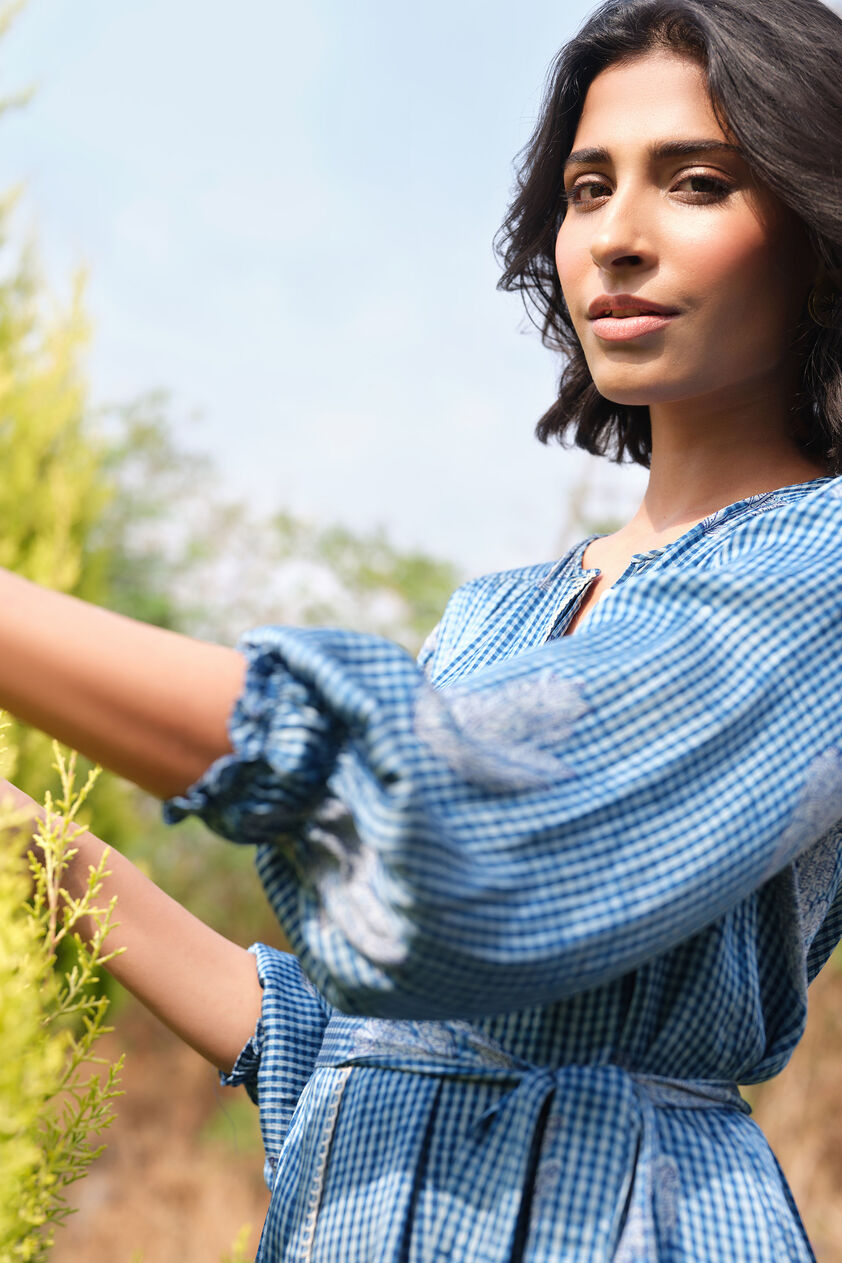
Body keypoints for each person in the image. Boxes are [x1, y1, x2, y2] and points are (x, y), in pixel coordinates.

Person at [4, 0, 842, 1257]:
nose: (615, 237)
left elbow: (461, 841)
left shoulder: (816, 572)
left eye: (698, 182)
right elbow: (349, 1048)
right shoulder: (497, 611)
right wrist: (32, 843)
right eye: (585, 186)